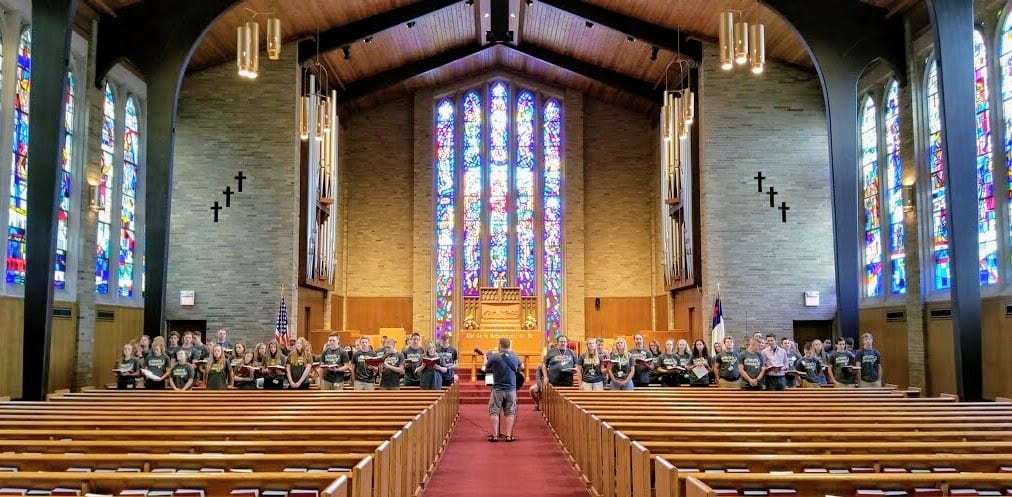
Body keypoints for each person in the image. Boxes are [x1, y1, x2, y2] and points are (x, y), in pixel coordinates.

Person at [483, 337, 522, 442]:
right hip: (511, 388)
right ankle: (509, 436)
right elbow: (521, 367)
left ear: (500, 345)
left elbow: (484, 368)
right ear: (509, 345)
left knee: (494, 411)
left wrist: (484, 358)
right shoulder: (515, 356)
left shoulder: (495, 357)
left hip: (497, 389)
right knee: (510, 412)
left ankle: (495, 436)